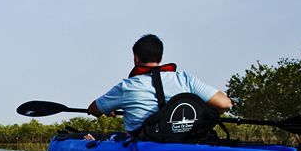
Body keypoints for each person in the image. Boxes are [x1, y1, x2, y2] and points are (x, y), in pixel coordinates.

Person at [88, 34, 233, 134]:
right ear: (161, 57)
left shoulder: (127, 86)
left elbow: (94, 109)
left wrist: (109, 109)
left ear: (136, 59)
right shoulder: (184, 79)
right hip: (185, 141)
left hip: (144, 147)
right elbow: (225, 104)